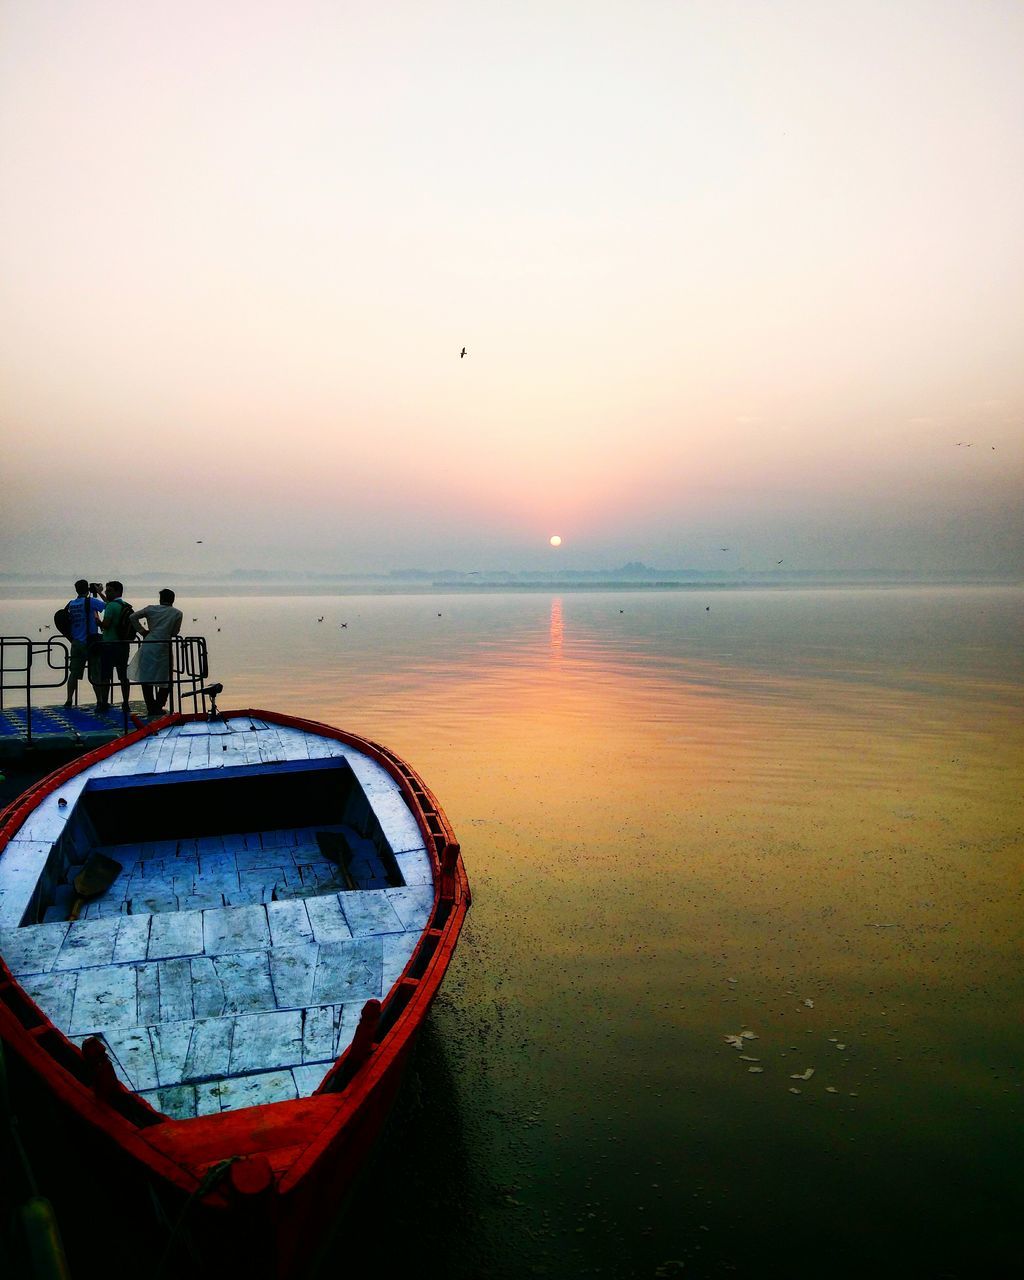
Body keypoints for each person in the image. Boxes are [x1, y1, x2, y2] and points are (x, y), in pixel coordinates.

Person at [128, 589, 183, 715]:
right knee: (166, 678)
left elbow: (132, 617)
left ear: (160, 599)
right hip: (164, 645)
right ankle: (158, 705)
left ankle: (150, 705)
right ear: (173, 600)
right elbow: (174, 633)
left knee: (146, 677)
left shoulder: (150, 609)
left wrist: (142, 631)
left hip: (148, 644)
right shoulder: (177, 613)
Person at [62, 580, 105, 708]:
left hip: (76, 642)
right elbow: (108, 605)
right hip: (90, 642)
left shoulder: (71, 604)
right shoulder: (91, 601)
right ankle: (100, 701)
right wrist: (99, 592)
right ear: (87, 589)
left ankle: (69, 699)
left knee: (73, 673)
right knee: (95, 674)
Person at [96, 580, 135, 713]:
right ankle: (126, 702)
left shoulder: (111, 607)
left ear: (117, 591)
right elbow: (109, 603)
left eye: (109, 590)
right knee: (123, 675)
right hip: (123, 644)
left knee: (105, 675)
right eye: (106, 591)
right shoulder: (123, 605)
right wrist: (99, 593)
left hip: (109, 644)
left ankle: (104, 702)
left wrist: (97, 621)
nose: (107, 592)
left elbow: (106, 624)